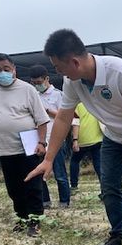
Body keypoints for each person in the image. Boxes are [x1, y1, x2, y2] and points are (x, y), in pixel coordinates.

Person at [26, 29, 122, 245]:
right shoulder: (73, 81)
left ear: (75, 62)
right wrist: (48, 159)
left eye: (59, 67)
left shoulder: (120, 71)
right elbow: (63, 117)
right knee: (109, 186)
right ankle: (119, 235)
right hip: (114, 134)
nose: (58, 72)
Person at [0, 53, 50, 237]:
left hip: (28, 147)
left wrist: (42, 142)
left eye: (6, 69)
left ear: (14, 69)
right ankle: (22, 217)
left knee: (32, 184)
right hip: (4, 149)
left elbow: (42, 120)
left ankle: (35, 220)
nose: (2, 73)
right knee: (14, 187)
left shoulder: (27, 89)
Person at [28, 65, 71, 208]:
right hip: (38, 139)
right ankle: (45, 201)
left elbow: (65, 117)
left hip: (55, 139)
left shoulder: (58, 95)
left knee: (60, 173)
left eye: (39, 82)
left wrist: (45, 110)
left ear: (47, 79)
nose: (37, 85)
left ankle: (64, 201)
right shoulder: (33, 95)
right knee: (40, 172)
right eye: (34, 83)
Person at [69, 103, 102, 190]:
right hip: (98, 138)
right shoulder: (97, 102)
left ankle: (74, 185)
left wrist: (75, 139)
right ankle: (105, 188)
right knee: (99, 164)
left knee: (74, 161)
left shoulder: (77, 104)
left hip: (82, 139)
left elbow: (76, 122)